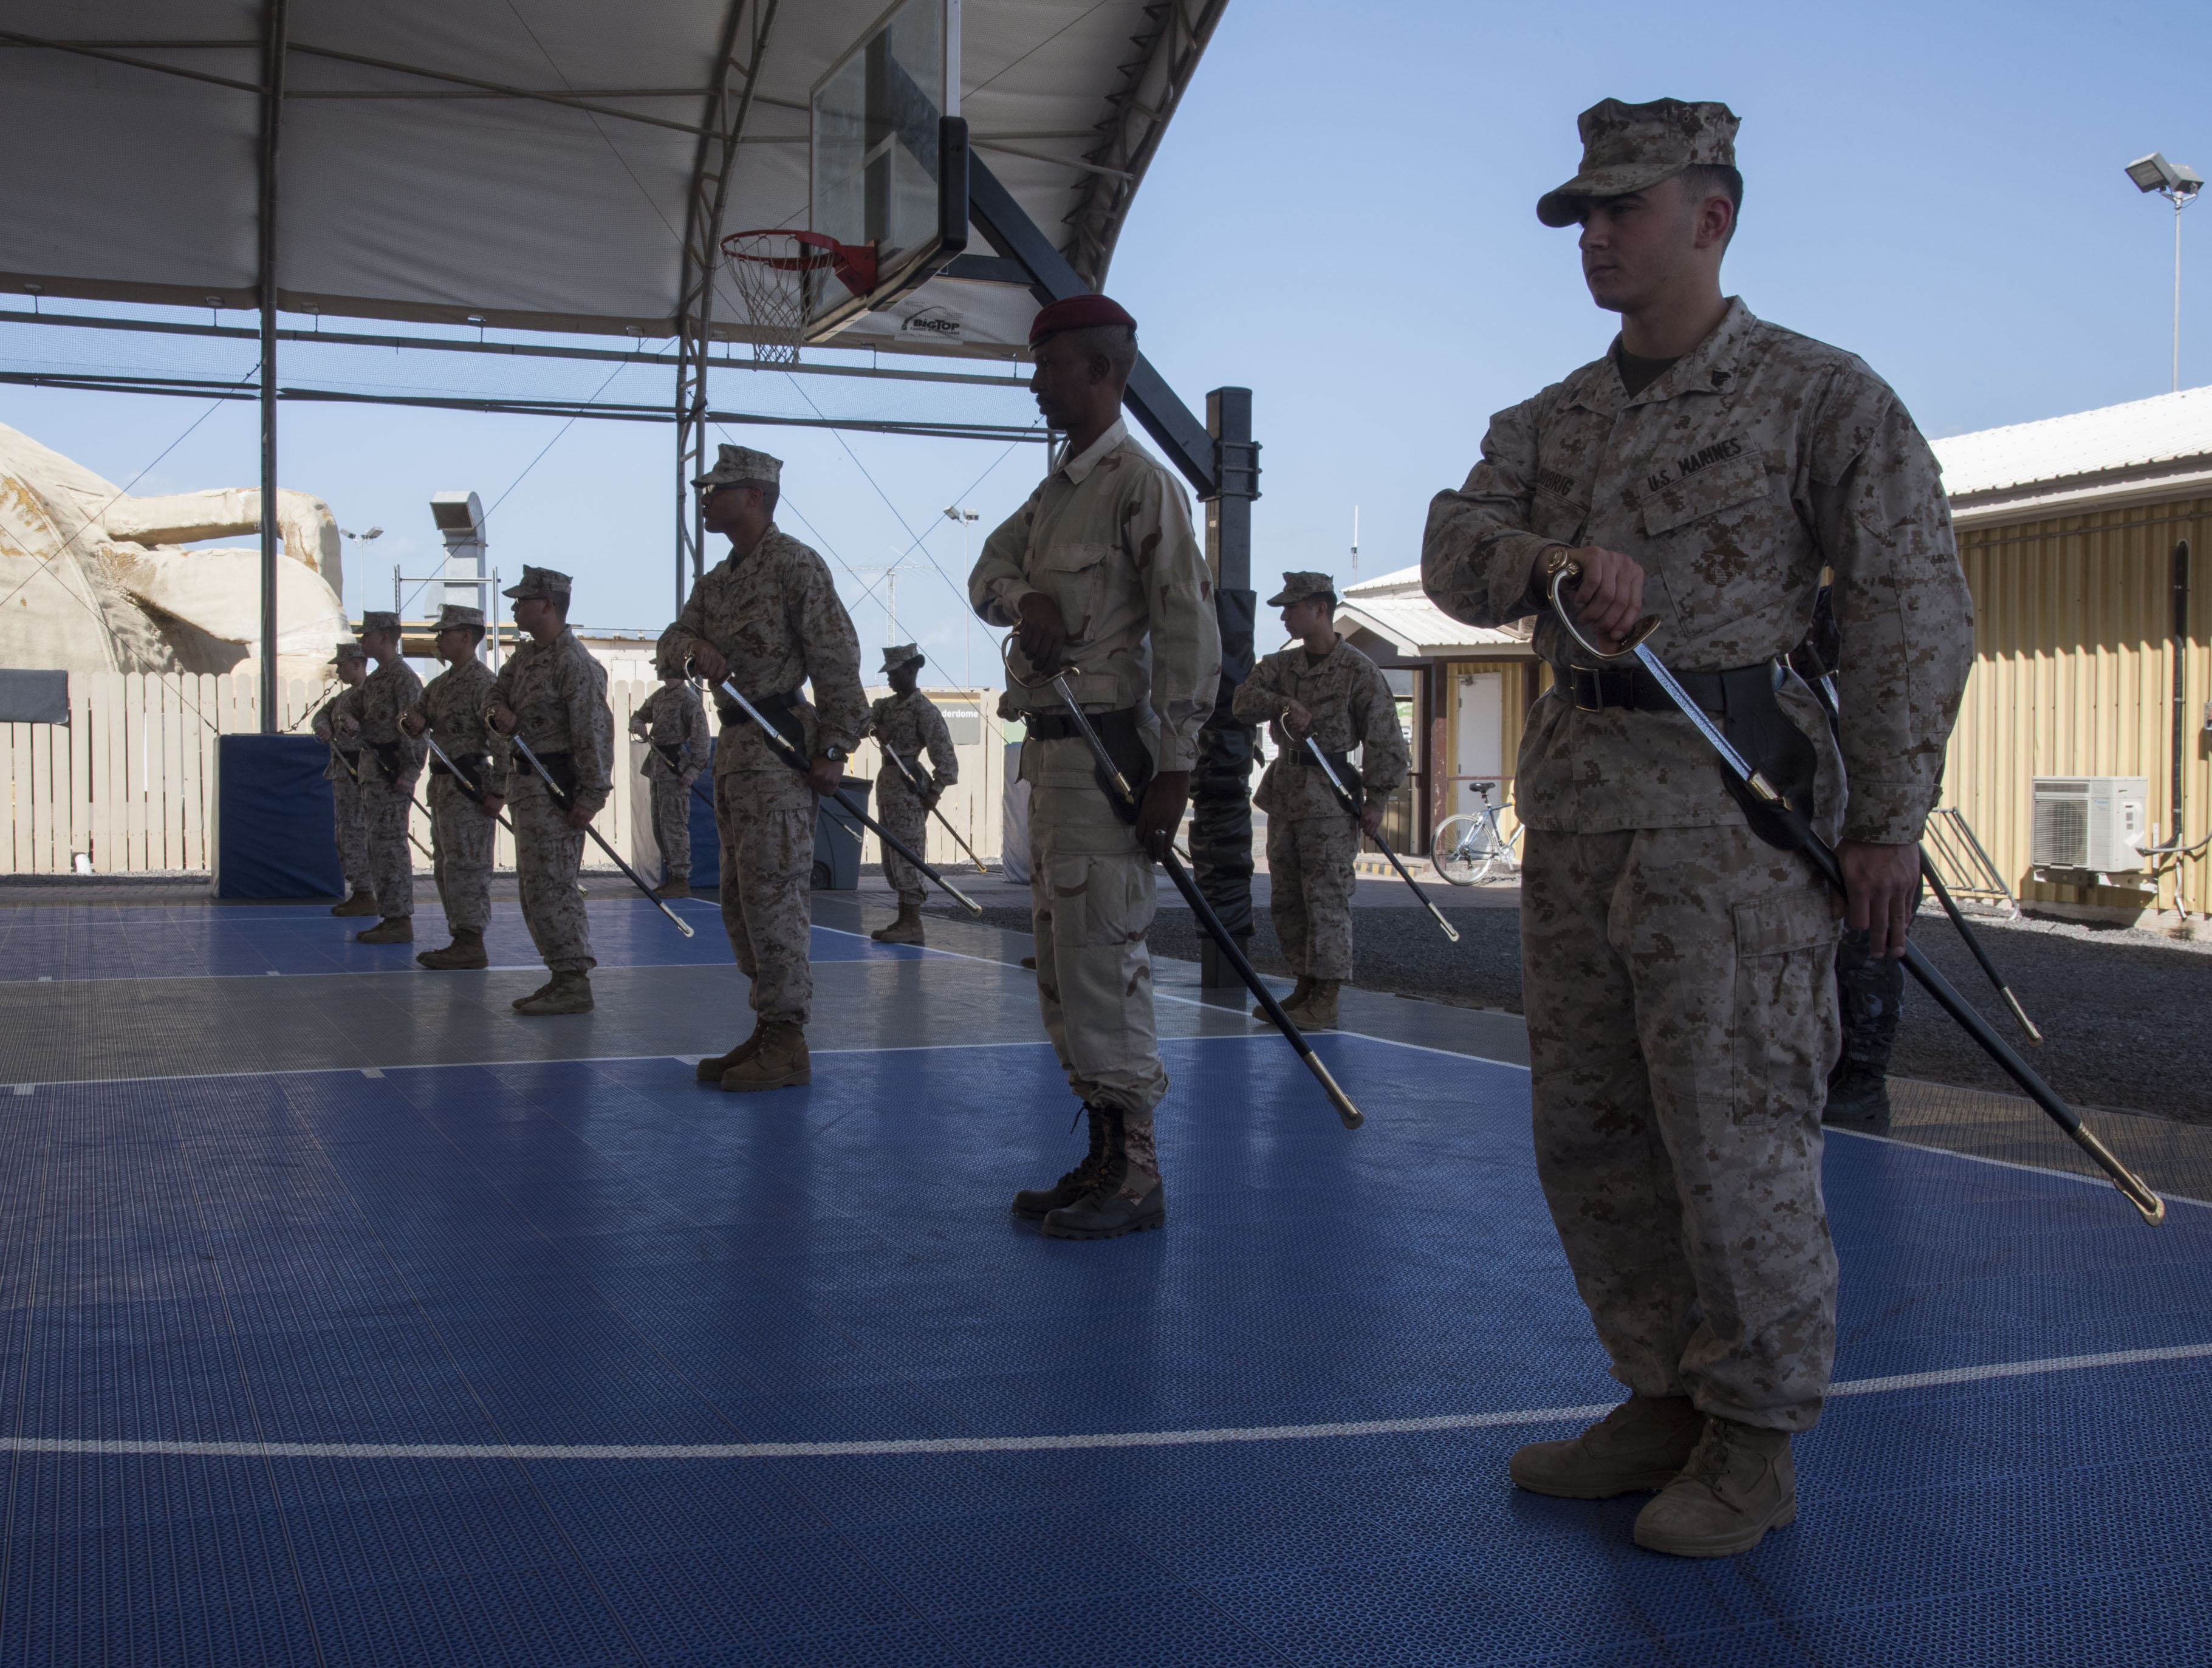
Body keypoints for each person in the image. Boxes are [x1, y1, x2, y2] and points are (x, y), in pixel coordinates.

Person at [1420, 98, 1973, 1557]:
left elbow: (1911, 605)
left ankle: (1753, 1436)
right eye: (1580, 215)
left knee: (1734, 1130)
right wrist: (1552, 560)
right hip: (1582, 809)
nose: (1593, 236)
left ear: (1710, 217)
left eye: (1622, 208)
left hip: (1731, 818)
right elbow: (1453, 549)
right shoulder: (1549, 420)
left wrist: (1886, 818)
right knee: (1590, 1130)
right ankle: (1659, 1395)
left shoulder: (1819, 396)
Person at [968, 292, 1221, 1241]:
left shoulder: (1140, 486)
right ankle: (1106, 1151)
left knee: (1107, 959)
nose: (1036, 381)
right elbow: (985, 572)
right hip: (1050, 756)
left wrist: (1177, 769)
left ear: (1104, 371)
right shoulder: (1053, 494)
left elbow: (1188, 628)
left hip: (1110, 752)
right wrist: (1025, 598)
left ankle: (1138, 1173)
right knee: (1065, 966)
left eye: (1051, 364)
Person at [657, 444, 866, 1092]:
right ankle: (768, 1023)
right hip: (736, 753)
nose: (706, 499)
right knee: (740, 900)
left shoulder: (794, 565)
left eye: (717, 489)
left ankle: (788, 1036)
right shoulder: (715, 583)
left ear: (754, 496)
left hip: (780, 752)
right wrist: (694, 649)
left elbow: (837, 659)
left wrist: (834, 749)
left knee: (775, 896)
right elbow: (668, 644)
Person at [1231, 573, 1407, 1031]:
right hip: (1286, 794)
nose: (1284, 617)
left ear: (1320, 609)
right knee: (1288, 898)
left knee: (1326, 896)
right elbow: (1241, 702)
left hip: (1330, 799)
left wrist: (1377, 799)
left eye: (1292, 608)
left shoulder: (1358, 671)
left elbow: (1386, 739)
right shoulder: (1280, 665)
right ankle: (1305, 984)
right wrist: (1282, 703)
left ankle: (1326, 995)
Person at [490, 566, 614, 1016]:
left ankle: (574, 980)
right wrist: (498, 713)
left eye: (522, 601)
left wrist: (591, 797)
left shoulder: (574, 664)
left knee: (554, 887)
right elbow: (493, 695)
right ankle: (561, 974)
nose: (514, 607)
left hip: (556, 790)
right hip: (526, 787)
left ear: (547, 605)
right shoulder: (525, 657)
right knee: (534, 888)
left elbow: (594, 735)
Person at [402, 603, 507, 970]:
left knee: (469, 865)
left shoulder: (485, 684)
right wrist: (412, 722)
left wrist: (499, 791)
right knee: (446, 864)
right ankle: (459, 936)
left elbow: (502, 743)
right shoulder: (440, 685)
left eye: (443, 633)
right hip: (444, 786)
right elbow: (412, 717)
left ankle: (471, 940)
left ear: (465, 636)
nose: (437, 640)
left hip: (470, 786)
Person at [338, 610, 426, 945]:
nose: (363, 641)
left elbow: (416, 730)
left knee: (390, 847)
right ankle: (389, 915)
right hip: (372, 772)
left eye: (368, 635)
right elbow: (349, 706)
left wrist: (410, 771)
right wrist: (350, 720)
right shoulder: (376, 680)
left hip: (392, 772)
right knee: (377, 846)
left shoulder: (404, 679)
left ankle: (399, 918)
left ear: (385, 638)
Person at [863, 643, 959, 946]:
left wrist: (935, 792)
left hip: (908, 791)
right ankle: (903, 917)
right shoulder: (886, 707)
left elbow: (946, 760)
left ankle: (912, 922)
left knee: (908, 853)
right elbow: (862, 719)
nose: (889, 678)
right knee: (891, 856)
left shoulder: (924, 710)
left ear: (911, 670)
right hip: (888, 786)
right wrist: (875, 728)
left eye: (894, 673)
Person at [628, 655, 708, 899]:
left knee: (674, 826)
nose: (658, 671)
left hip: (675, 770)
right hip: (658, 767)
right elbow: (638, 716)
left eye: (661, 667)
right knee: (659, 827)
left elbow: (701, 738)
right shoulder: (659, 696)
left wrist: (693, 770)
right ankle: (672, 877)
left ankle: (680, 879)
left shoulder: (689, 700)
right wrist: (638, 724)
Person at [313, 642, 375, 916]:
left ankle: (367, 891)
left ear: (356, 665)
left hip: (362, 769)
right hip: (343, 772)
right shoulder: (344, 697)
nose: (338, 671)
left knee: (360, 831)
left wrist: (360, 727)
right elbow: (322, 714)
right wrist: (323, 726)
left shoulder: (374, 694)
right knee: (346, 832)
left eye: (342, 665)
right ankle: (360, 890)